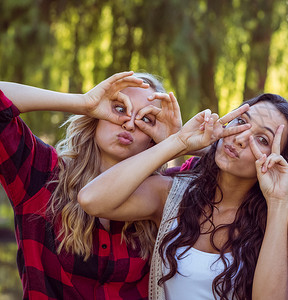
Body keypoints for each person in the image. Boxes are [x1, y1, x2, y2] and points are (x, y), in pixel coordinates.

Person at [78, 93, 288, 300]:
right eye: (241, 122)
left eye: (263, 140)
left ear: (281, 161)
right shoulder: (172, 194)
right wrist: (178, 142)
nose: (241, 138)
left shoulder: (280, 223)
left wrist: (279, 202)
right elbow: (91, 199)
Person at [0, 71, 184, 299]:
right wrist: (83, 102)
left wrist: (177, 140)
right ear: (97, 114)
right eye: (119, 108)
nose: (129, 123)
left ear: (153, 138)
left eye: (146, 119)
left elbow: (232, 168)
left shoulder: (166, 193)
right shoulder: (41, 175)